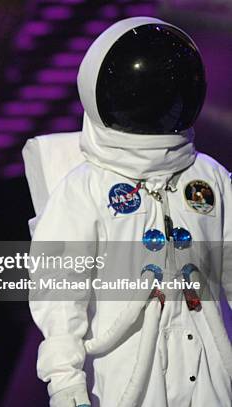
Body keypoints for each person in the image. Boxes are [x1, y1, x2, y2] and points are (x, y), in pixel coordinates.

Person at [26, 17, 232, 407]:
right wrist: (65, 381)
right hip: (125, 380)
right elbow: (60, 291)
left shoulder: (210, 178)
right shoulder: (87, 187)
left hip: (212, 373)